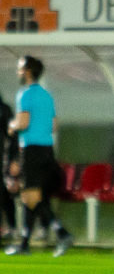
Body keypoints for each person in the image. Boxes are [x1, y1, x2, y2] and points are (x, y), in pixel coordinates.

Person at [5, 56, 73, 257]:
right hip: (47, 150)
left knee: (30, 196)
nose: (17, 72)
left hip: (32, 150)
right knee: (32, 197)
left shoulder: (24, 95)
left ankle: (62, 233)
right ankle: (24, 244)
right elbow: (54, 125)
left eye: (19, 69)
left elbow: (23, 123)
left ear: (26, 71)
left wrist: (11, 126)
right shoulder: (47, 95)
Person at [0, 92, 18, 242]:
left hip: (3, 160)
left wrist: (14, 159)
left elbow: (12, 137)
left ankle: (12, 227)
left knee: (5, 194)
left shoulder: (4, 110)